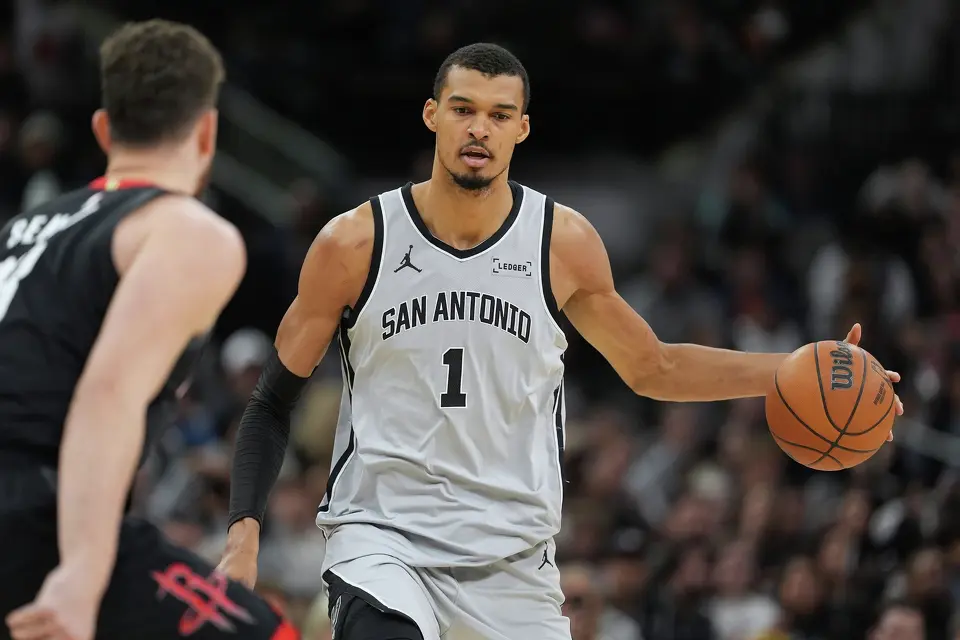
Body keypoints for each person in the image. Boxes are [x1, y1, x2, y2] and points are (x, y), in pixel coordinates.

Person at [218, 43, 903, 640]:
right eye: (463, 109)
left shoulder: (561, 242)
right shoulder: (353, 242)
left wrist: (790, 369)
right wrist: (243, 533)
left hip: (512, 558)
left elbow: (653, 366)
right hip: (383, 539)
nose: (478, 128)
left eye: (497, 114)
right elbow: (271, 403)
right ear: (432, 115)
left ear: (522, 128)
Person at [0, 20, 297, 640]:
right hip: (33, 516)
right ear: (208, 131)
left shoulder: (23, 231)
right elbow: (107, 394)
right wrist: (83, 571)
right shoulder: (188, 230)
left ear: (104, 130)